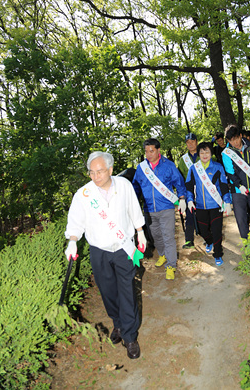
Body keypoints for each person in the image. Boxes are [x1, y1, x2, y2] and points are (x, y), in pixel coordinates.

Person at [64, 151, 146, 360]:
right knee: (108, 292)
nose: (95, 176)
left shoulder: (124, 186)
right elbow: (75, 221)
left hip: (123, 248)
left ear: (110, 170)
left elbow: (133, 209)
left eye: (99, 171)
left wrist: (140, 232)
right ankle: (117, 324)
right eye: (91, 172)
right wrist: (72, 241)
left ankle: (130, 336)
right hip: (99, 250)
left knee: (127, 290)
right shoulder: (83, 194)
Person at [132, 138, 186, 280]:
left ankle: (171, 265)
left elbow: (178, 182)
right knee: (156, 236)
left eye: (151, 151)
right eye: (146, 151)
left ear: (158, 150)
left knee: (168, 236)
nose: (148, 154)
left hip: (166, 207)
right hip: (149, 209)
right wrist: (132, 202)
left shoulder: (168, 165)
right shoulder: (141, 168)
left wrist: (182, 198)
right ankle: (162, 255)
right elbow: (135, 186)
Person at [186, 142, 232, 266]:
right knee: (202, 230)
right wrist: (189, 199)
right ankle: (209, 241)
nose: (204, 155)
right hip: (200, 206)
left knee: (217, 231)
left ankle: (217, 254)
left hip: (216, 205)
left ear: (211, 153)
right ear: (198, 154)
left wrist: (227, 201)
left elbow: (223, 186)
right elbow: (189, 186)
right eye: (202, 152)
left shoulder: (218, 167)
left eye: (207, 152)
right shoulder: (193, 168)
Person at [178, 133, 200, 249]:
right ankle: (189, 240)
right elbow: (180, 179)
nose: (190, 144)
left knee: (204, 214)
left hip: (204, 191)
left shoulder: (204, 154)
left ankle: (208, 237)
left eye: (192, 141)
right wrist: (181, 196)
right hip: (189, 192)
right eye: (188, 142)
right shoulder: (183, 160)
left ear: (196, 142)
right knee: (189, 215)